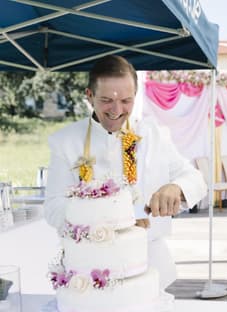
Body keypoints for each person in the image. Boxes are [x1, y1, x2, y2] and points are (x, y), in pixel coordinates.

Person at [43, 55, 207, 289]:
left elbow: (197, 180)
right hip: (89, 271)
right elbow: (53, 208)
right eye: (106, 100)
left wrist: (177, 187)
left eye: (126, 101)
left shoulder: (154, 135)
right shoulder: (65, 142)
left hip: (152, 267)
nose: (117, 111)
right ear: (89, 96)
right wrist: (113, 220)